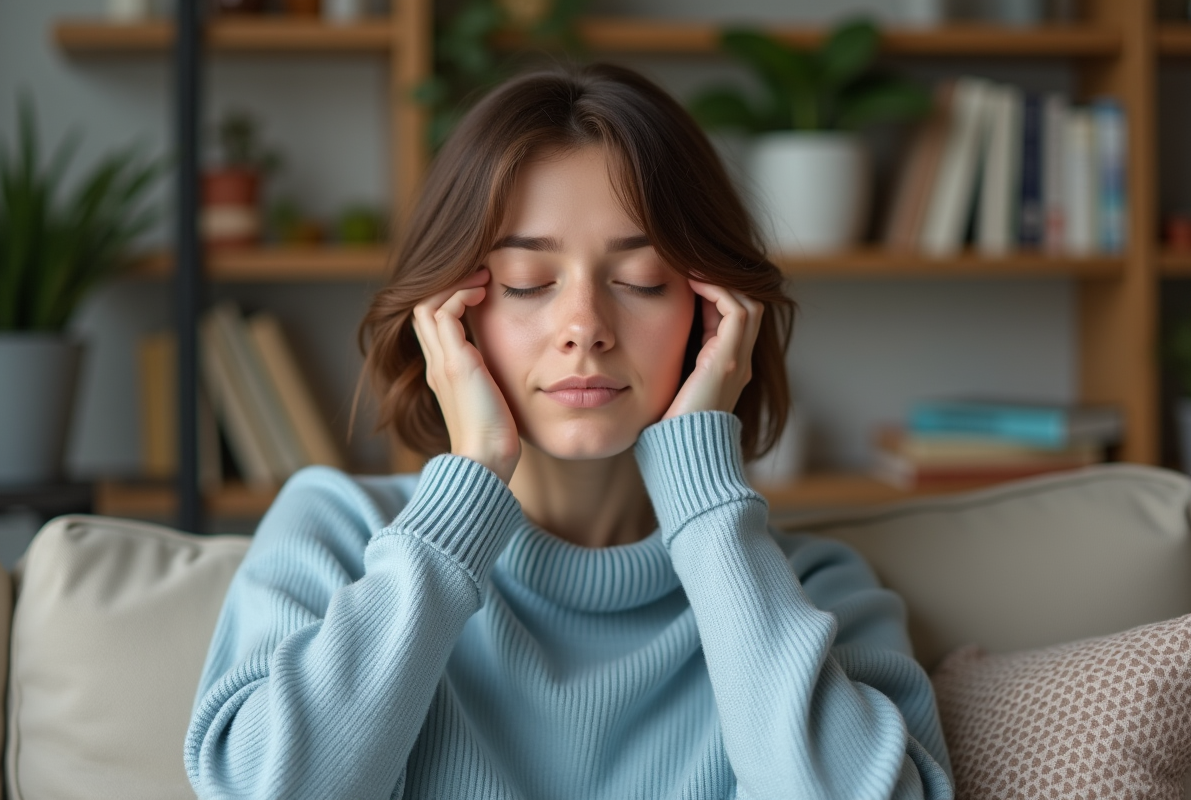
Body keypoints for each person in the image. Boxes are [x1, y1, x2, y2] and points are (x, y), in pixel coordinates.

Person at [184, 63, 954, 799]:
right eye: (526, 283)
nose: (583, 327)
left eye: (642, 280)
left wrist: (706, 503)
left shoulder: (811, 592)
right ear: (450, 315)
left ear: (716, 318)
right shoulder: (335, 534)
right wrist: (472, 482)